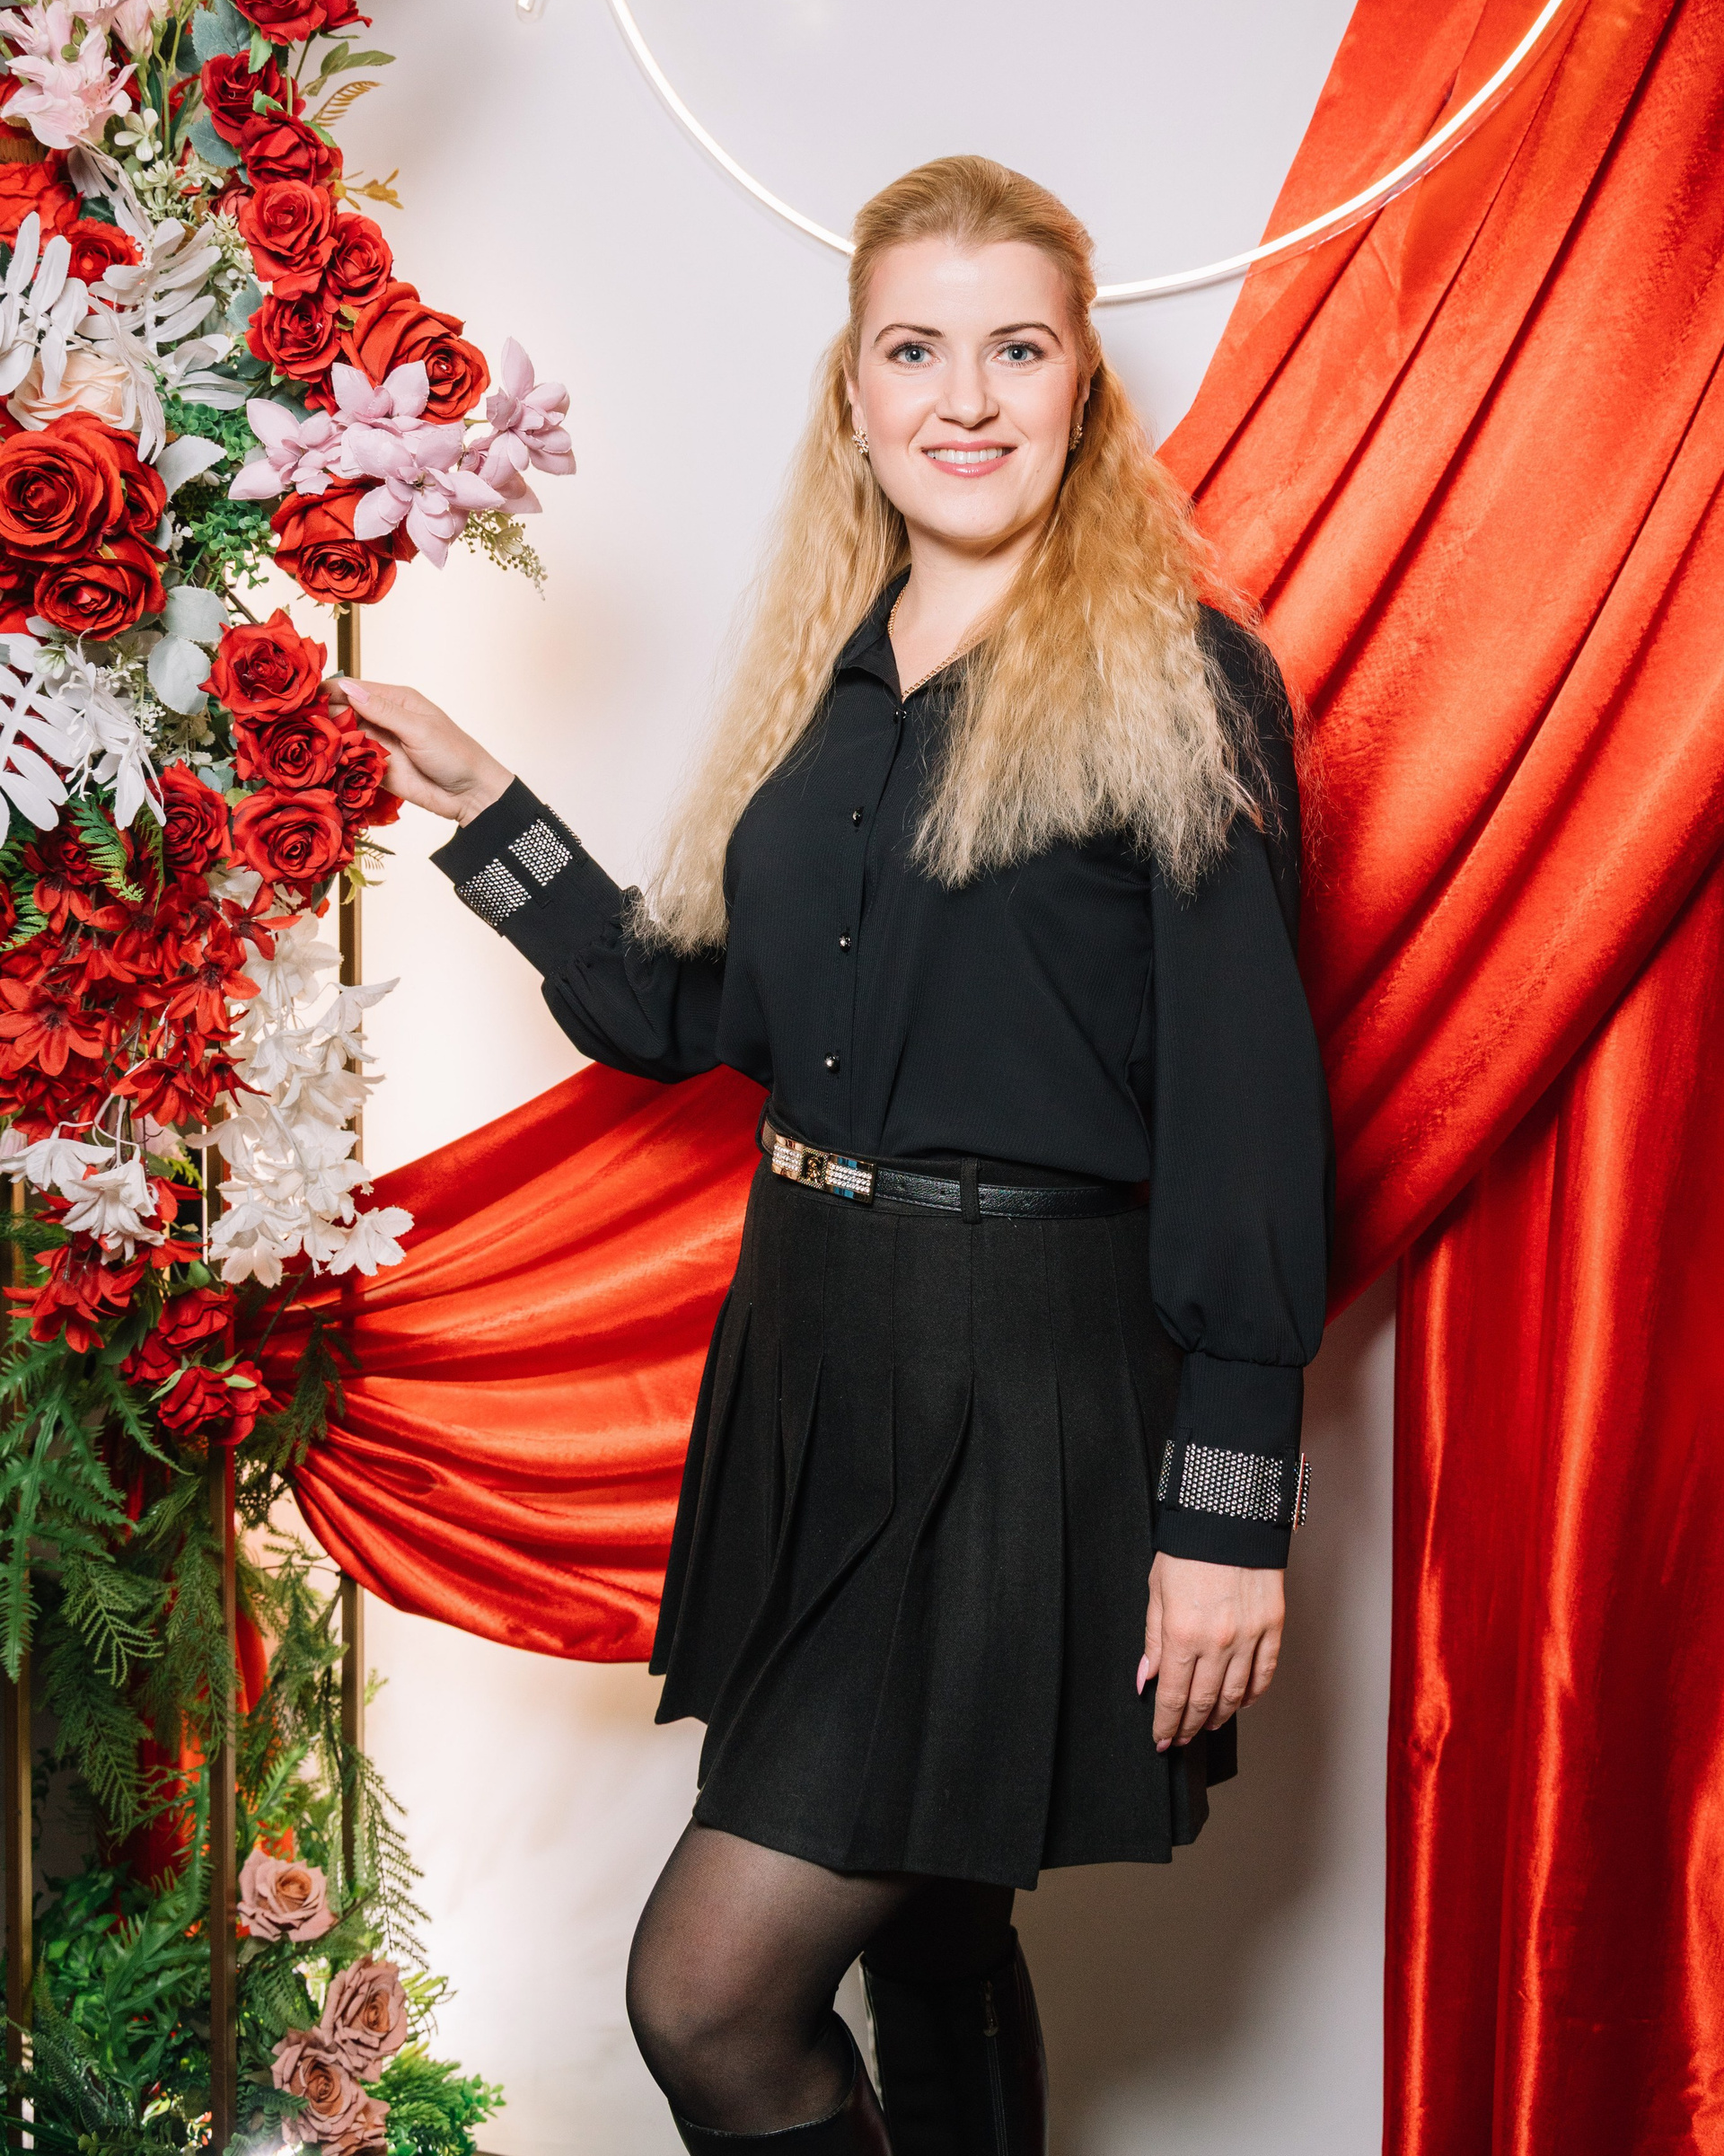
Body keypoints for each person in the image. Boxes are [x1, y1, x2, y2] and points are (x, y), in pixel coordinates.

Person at [340, 157, 1333, 2155]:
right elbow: (695, 1013)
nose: (966, 398)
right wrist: (484, 807)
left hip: (1022, 1381)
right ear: (855, 392)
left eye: (1017, 349)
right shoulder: (831, 675)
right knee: (938, 1925)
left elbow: (1250, 1117)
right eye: (916, 350)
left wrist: (1229, 1512)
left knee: (709, 1998)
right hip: (812, 1355)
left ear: (1080, 388)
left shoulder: (1187, 680)